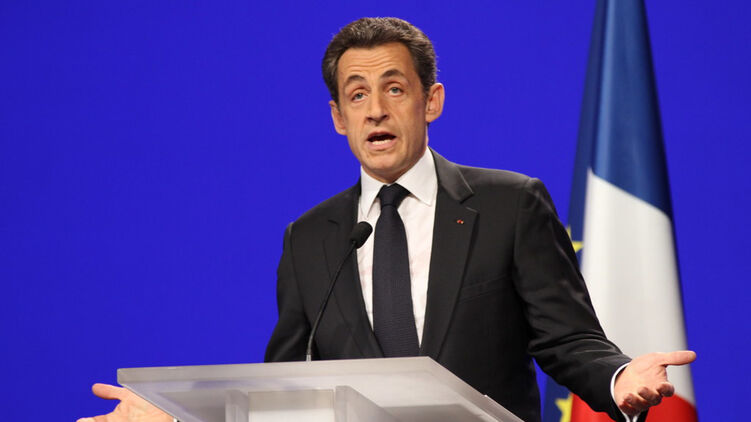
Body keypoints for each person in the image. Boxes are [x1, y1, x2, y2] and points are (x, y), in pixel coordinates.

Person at [78, 17, 695, 422]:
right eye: (357, 94)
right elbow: (284, 390)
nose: (375, 109)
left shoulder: (510, 204)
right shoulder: (310, 239)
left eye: (394, 89)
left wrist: (616, 377)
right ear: (338, 118)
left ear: (431, 101)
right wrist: (178, 417)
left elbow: (566, 339)